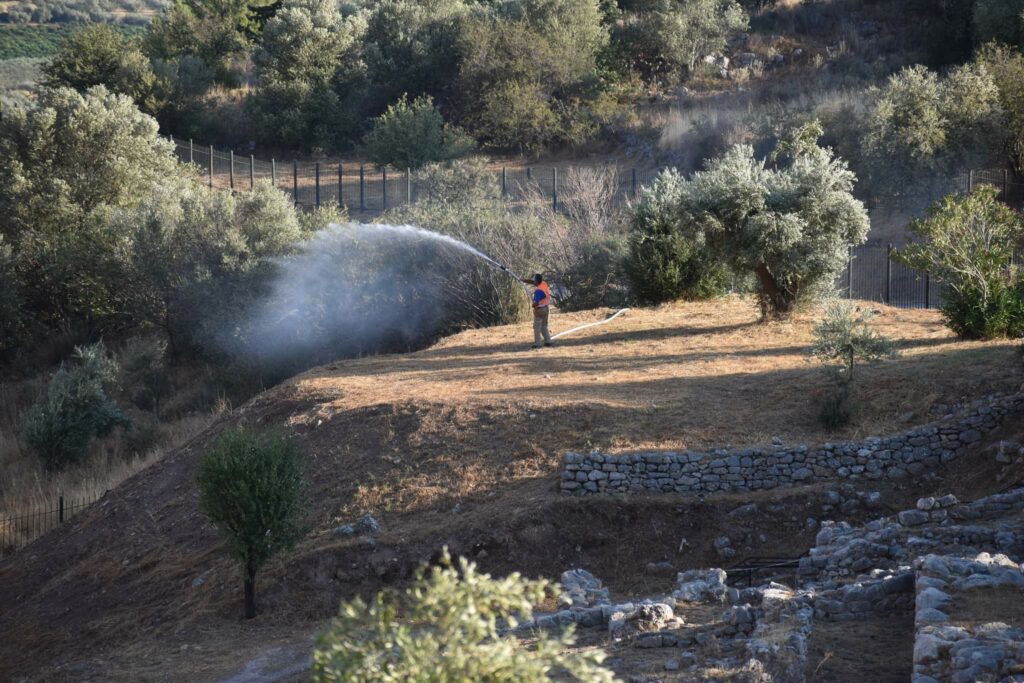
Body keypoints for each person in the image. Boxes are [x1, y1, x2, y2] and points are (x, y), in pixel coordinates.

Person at [522, 273, 553, 348]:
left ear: (537, 281)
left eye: (534, 279)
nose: (533, 281)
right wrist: (524, 280)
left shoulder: (538, 291)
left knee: (537, 327)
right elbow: (533, 282)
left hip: (540, 310)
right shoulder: (543, 283)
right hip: (546, 308)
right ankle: (548, 341)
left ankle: (537, 344)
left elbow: (536, 303)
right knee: (544, 326)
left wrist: (533, 305)